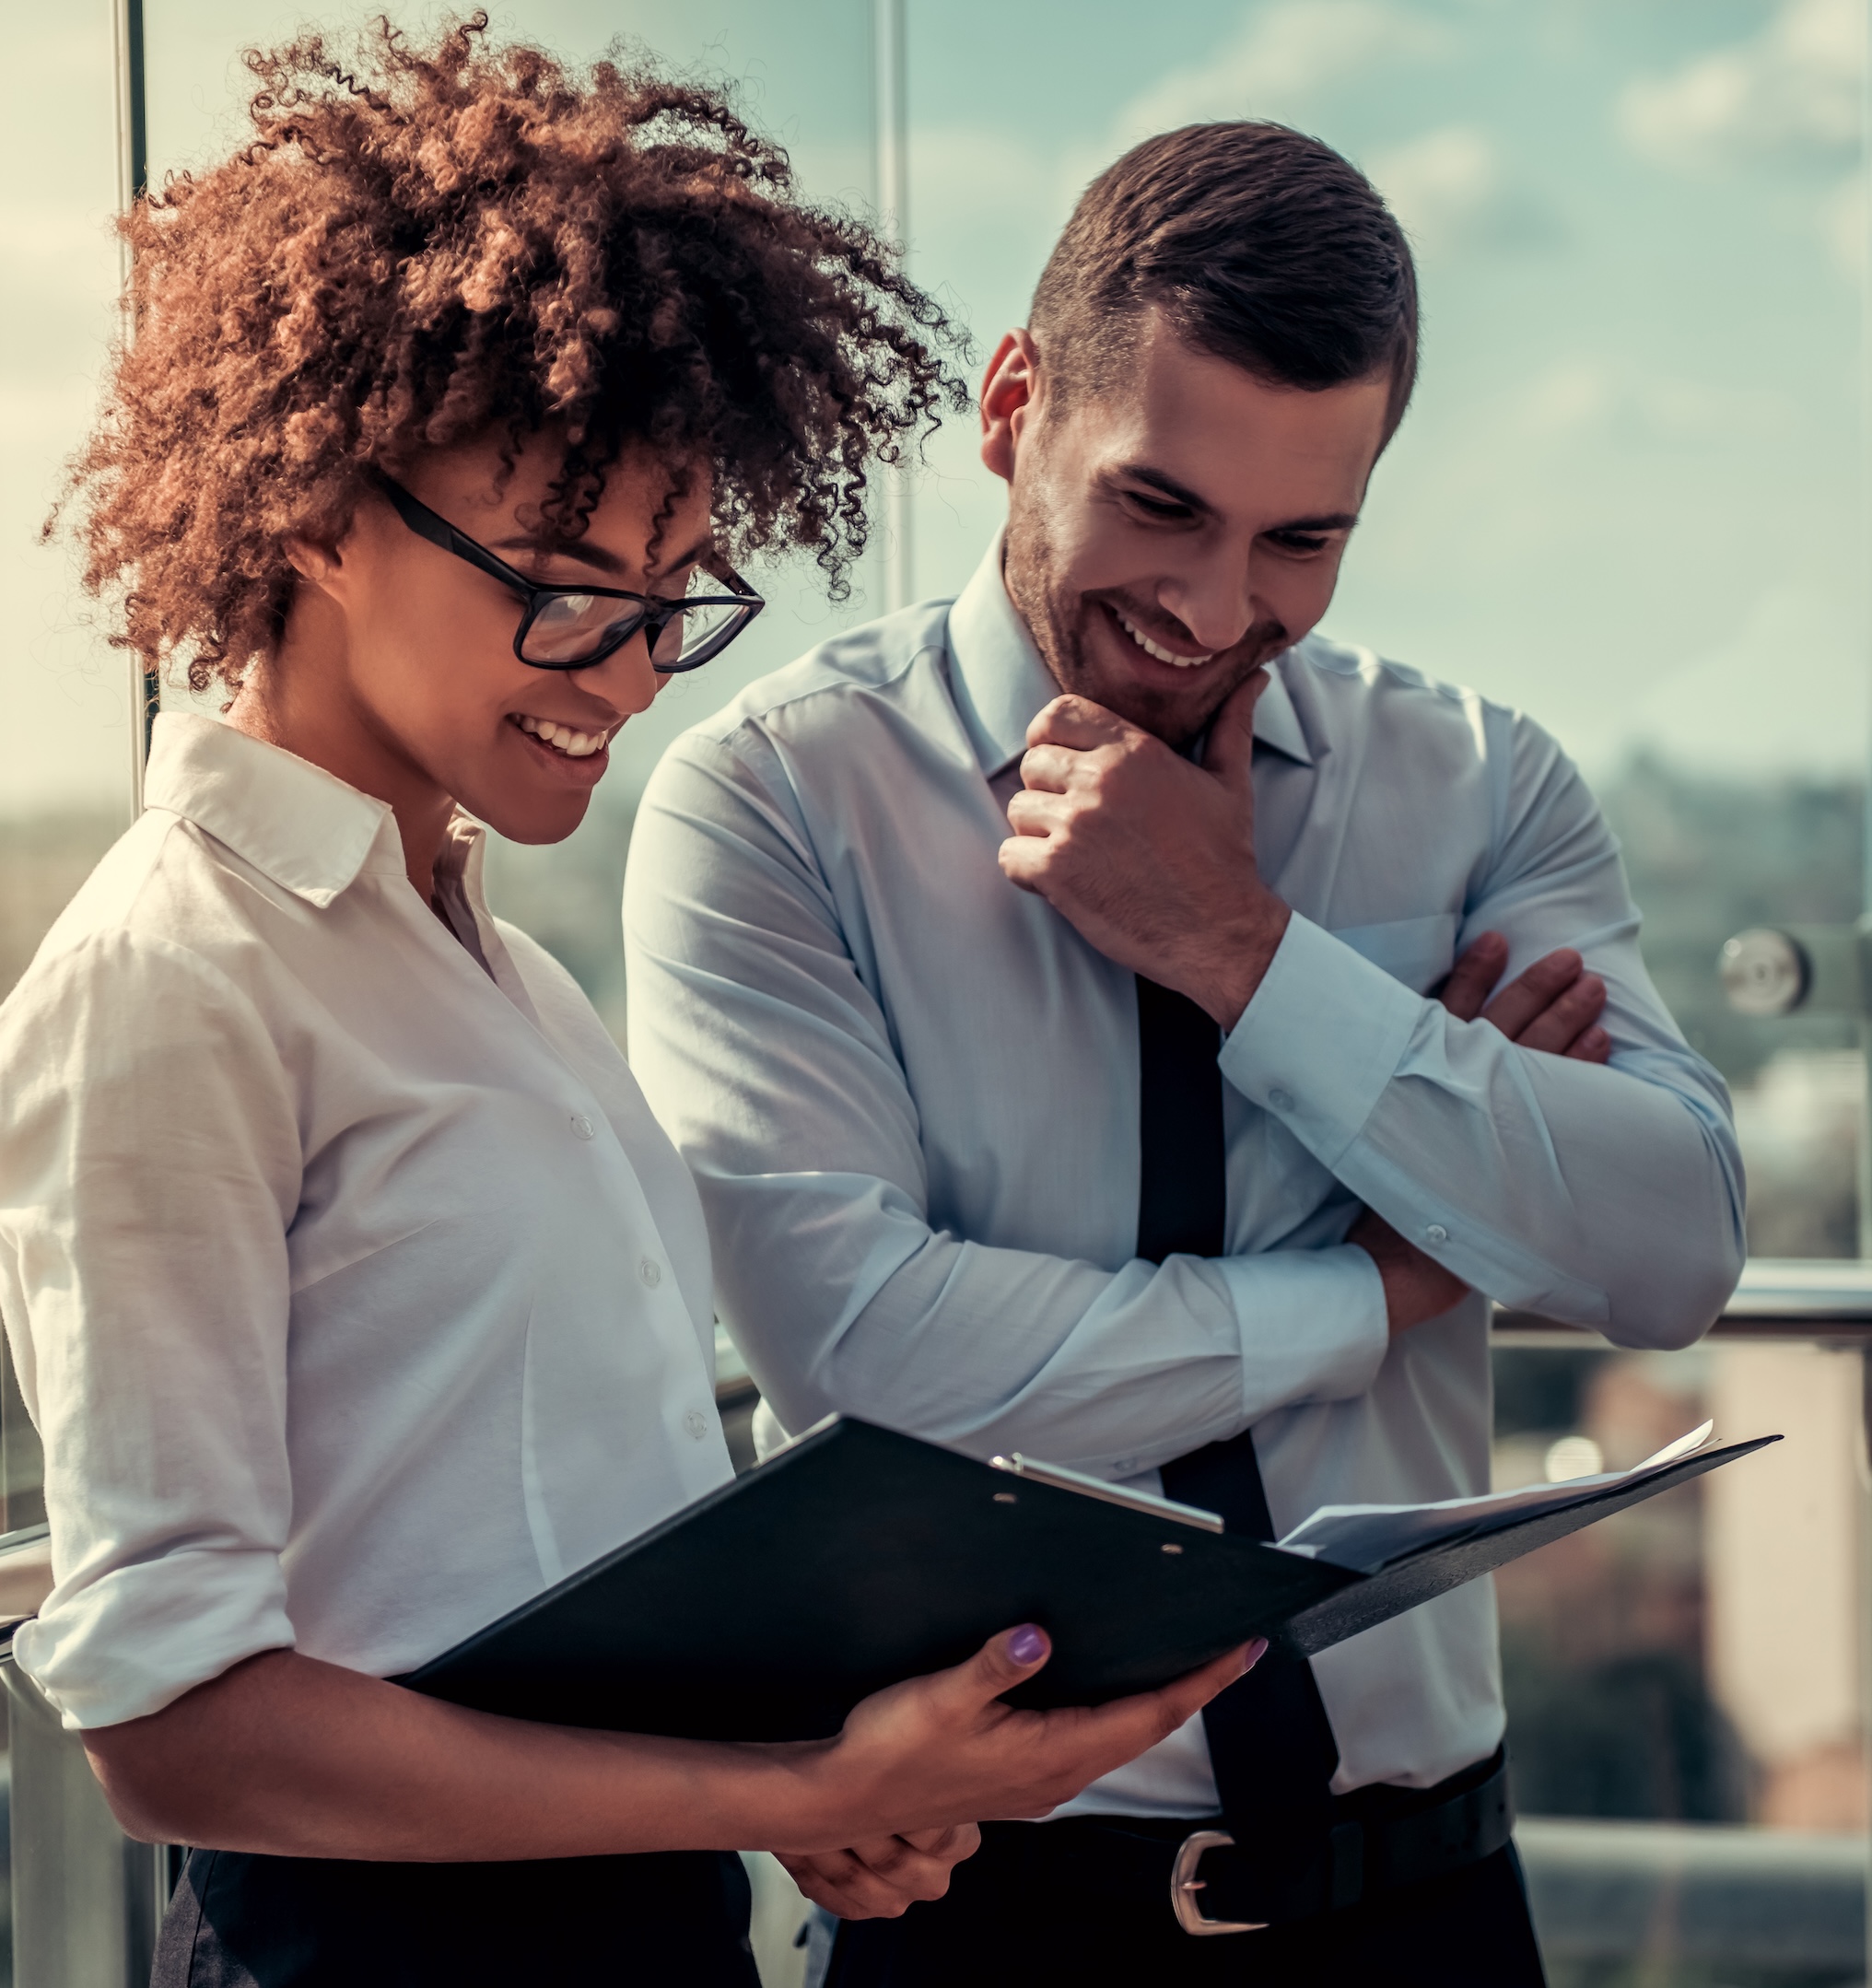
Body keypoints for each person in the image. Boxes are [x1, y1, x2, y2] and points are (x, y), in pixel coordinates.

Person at [0, 29, 1256, 1988]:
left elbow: (520, 1546)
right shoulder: (172, 985)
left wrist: (819, 1778)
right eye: (562, 587)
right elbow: (173, 1723)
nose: (632, 675)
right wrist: (775, 1791)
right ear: (311, 506)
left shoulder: (496, 967)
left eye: (672, 597)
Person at [623, 121, 1746, 1984]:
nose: (1218, 609)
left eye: (1299, 539)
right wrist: (1386, 1269)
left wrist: (1243, 951)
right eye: (1157, 506)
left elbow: (1671, 1244)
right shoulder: (771, 807)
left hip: (1433, 1904)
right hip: (988, 1919)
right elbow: (867, 1356)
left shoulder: (1472, 786)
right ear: (1006, 408)